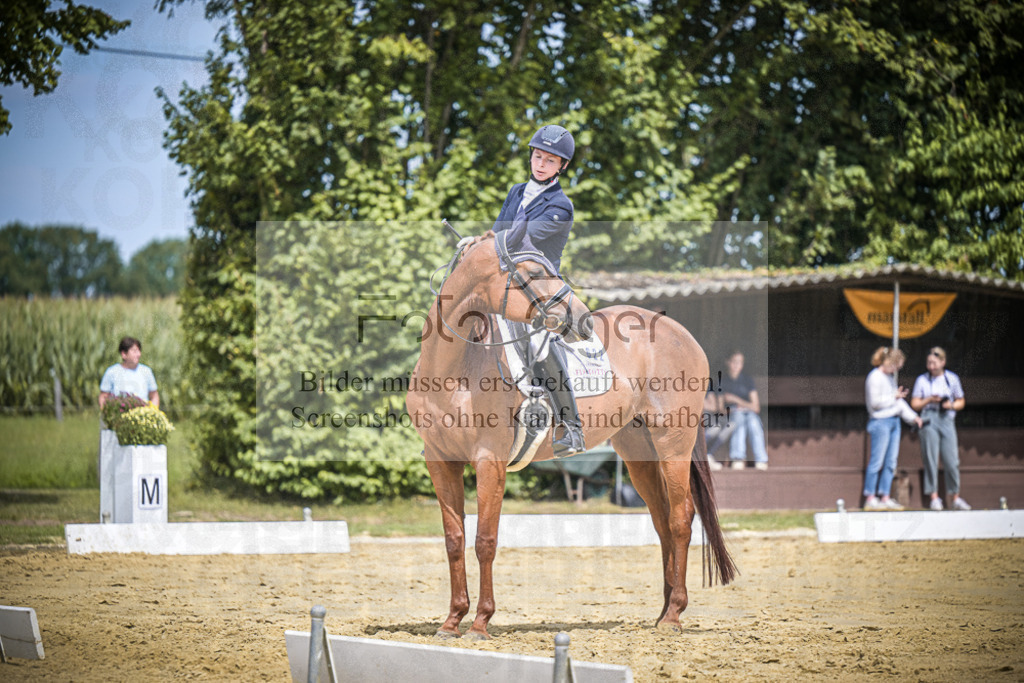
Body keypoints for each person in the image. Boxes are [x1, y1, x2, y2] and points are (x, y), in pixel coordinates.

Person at [459, 123, 581, 455]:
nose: (540, 164)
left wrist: (486, 242)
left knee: (540, 343)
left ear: (562, 166)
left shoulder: (561, 206)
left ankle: (572, 427)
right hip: (502, 281)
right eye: (537, 157)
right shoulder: (516, 191)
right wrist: (476, 243)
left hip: (537, 286)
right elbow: (500, 231)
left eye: (550, 161)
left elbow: (522, 240)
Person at [910, 347, 970, 511]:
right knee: (930, 458)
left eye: (934, 363)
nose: (931, 366)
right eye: (929, 363)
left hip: (947, 419)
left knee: (951, 460)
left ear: (942, 362)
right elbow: (915, 403)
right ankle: (934, 496)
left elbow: (961, 401)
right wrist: (930, 399)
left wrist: (948, 404)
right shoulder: (922, 380)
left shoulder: (952, 379)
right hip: (929, 418)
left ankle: (955, 496)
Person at [863, 346, 922, 510]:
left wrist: (914, 418)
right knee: (877, 461)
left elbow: (899, 403)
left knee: (891, 461)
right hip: (880, 422)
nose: (897, 369)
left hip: (894, 422)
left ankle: (885, 496)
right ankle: (870, 497)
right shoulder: (874, 377)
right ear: (889, 362)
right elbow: (875, 403)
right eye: (896, 365)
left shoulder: (890, 379)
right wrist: (893, 396)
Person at [719, 350, 769, 470]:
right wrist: (735, 409)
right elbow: (720, 410)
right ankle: (737, 458)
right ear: (728, 362)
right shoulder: (722, 382)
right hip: (732, 414)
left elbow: (755, 407)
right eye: (734, 362)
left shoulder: (747, 381)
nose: (737, 365)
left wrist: (736, 400)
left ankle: (761, 460)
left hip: (749, 413)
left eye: (740, 362)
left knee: (754, 422)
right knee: (739, 419)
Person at [99, 336, 159, 409]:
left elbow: (154, 396)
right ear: (124, 354)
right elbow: (103, 397)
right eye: (134, 351)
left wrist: (152, 412)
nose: (138, 354)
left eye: (139, 351)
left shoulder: (146, 371)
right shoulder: (112, 372)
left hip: (142, 415)